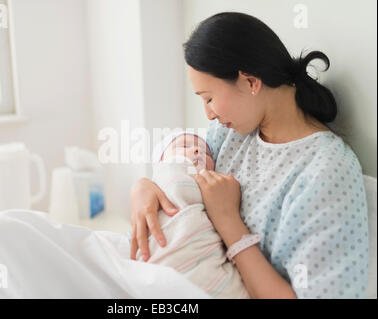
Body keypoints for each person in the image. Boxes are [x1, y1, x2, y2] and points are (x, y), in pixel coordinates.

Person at [129, 12, 369, 299]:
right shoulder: (232, 133)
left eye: (209, 98)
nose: (209, 113)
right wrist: (145, 187)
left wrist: (228, 220)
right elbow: (184, 171)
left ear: (250, 82)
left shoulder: (326, 173)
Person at [130, 131, 249, 298]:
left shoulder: (218, 188)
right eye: (184, 146)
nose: (197, 151)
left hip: (205, 263)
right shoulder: (165, 174)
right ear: (161, 161)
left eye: (206, 153)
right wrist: (142, 184)